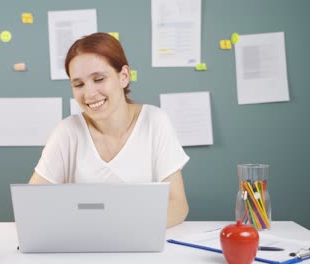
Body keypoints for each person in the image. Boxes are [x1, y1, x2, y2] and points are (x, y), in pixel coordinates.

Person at [29, 32, 190, 228]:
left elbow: (178, 205)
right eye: (78, 84)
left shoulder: (155, 122)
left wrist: (123, 227)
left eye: (98, 79)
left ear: (123, 76)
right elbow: (32, 203)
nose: (89, 94)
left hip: (138, 245)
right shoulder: (67, 132)